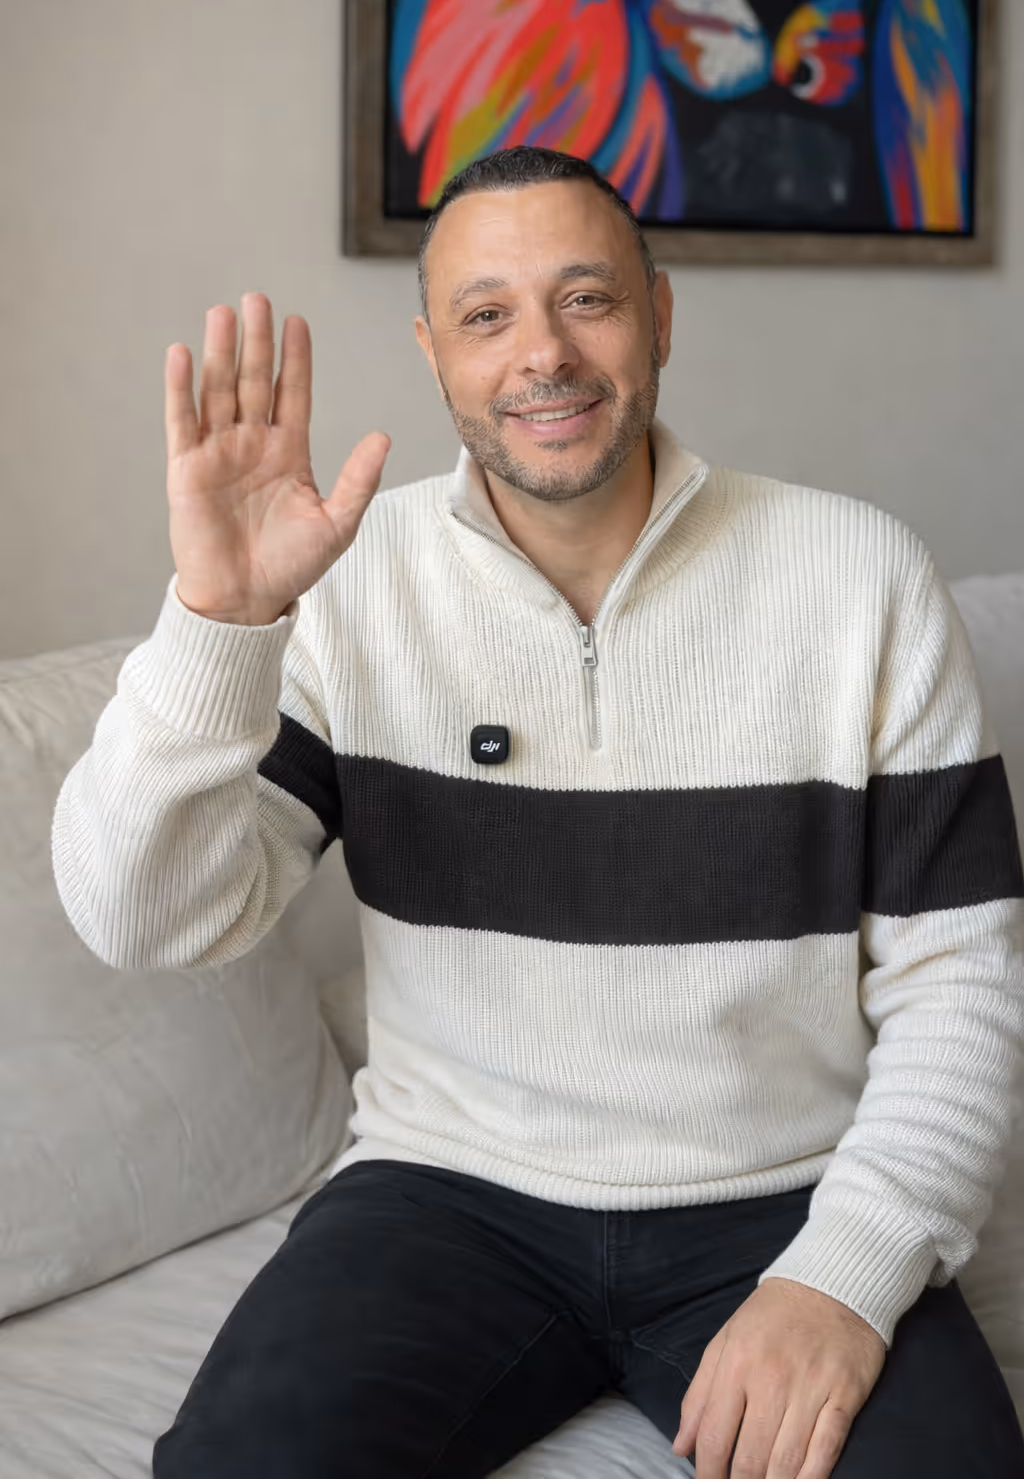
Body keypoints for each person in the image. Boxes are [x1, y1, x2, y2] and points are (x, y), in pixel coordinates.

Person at [51, 146, 1024, 1478]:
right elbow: (143, 918)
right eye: (487, 314)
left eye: (589, 299)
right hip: (444, 1199)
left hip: (782, 1200)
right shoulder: (349, 585)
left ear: (660, 314)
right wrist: (220, 622)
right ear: (435, 352)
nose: (543, 355)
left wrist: (844, 1280)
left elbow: (964, 987)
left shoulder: (860, 576)